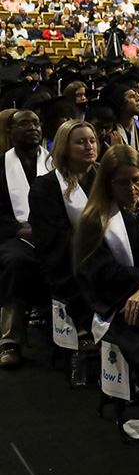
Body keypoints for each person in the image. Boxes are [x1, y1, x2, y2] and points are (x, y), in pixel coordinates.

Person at [72, 145, 139, 395]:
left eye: (137, 180)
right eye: (123, 183)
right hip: (112, 303)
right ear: (108, 183)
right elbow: (102, 275)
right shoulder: (93, 221)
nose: (132, 189)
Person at [29, 120, 99, 347]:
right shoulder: (45, 187)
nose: (89, 146)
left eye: (92, 140)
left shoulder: (105, 178)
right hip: (68, 264)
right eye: (80, 142)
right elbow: (52, 242)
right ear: (64, 148)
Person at [0, 110, 52, 368]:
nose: (32, 127)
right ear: (10, 132)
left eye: (36, 123)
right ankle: (10, 340)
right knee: (16, 262)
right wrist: (19, 231)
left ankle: (78, 332)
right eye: (24, 123)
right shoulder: (0, 166)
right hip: (13, 234)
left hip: (53, 232)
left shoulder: (55, 163)